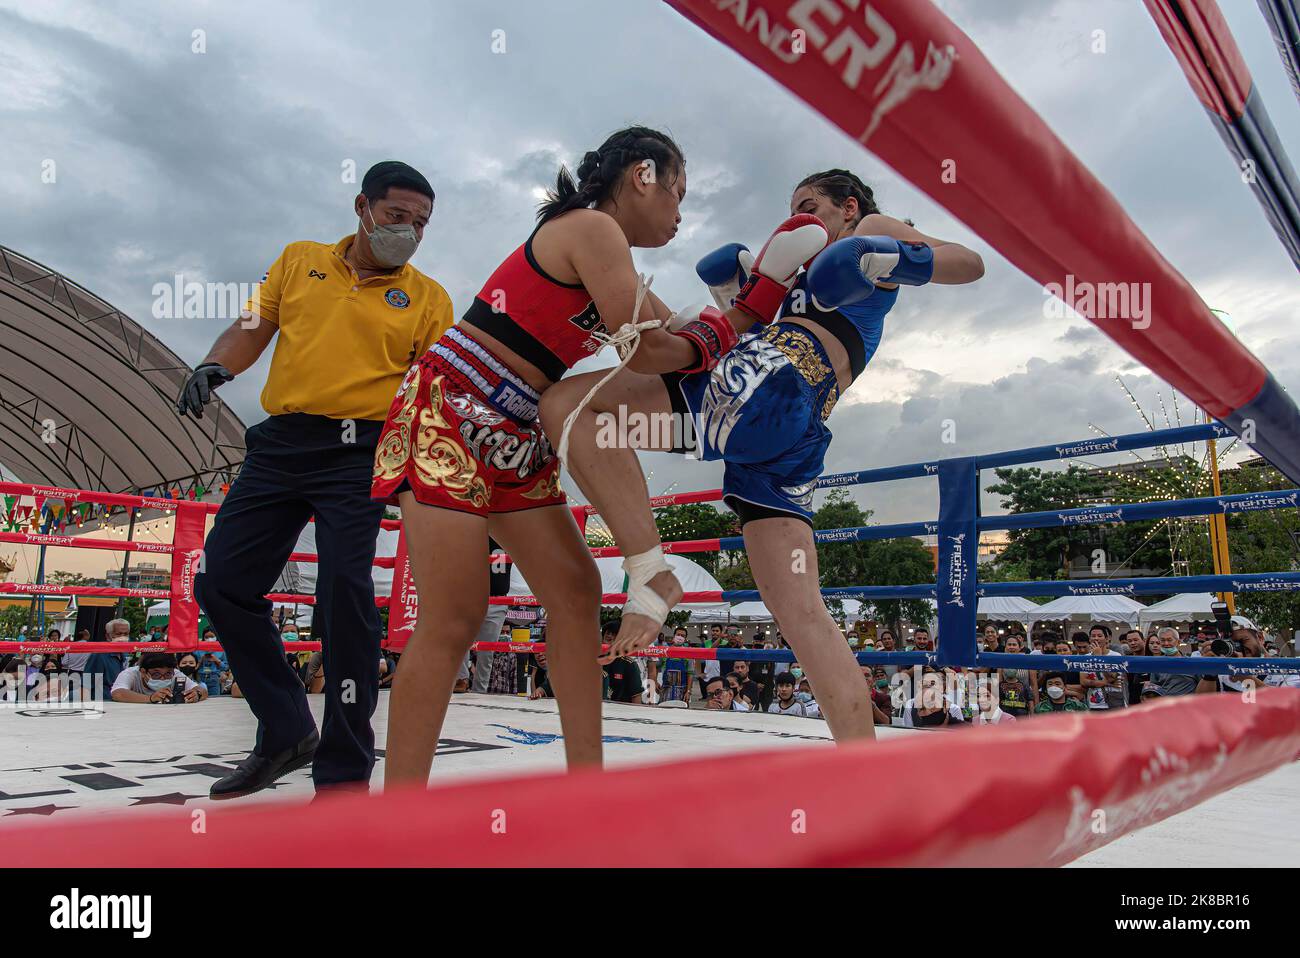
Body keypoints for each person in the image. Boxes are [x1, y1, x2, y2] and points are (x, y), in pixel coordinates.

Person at [543, 167, 982, 750]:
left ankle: (650, 572)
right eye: (790, 208)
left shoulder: (868, 230)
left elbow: (971, 262)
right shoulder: (795, 270)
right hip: (786, 433)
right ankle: (865, 770)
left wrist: (891, 257)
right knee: (799, 610)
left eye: (811, 206)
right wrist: (740, 296)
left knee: (570, 405)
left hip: (771, 384)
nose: (797, 217)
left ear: (848, 207)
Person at [371, 127, 735, 785]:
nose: (681, 215)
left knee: (575, 592)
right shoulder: (593, 229)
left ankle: (584, 788)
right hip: (449, 408)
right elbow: (647, 352)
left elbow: (680, 332)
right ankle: (398, 814)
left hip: (516, 428)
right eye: (677, 193)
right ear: (641, 177)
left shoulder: (617, 259)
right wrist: (711, 340)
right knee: (453, 617)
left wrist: (752, 314)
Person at [187, 159, 454, 800]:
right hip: (281, 443)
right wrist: (215, 364)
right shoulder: (299, 259)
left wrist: (421, 474)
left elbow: (431, 394)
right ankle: (285, 728)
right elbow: (255, 326)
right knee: (222, 583)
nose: (409, 233)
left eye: (421, 224)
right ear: (362, 208)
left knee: (343, 596)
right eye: (397, 217)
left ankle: (341, 778)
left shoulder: (428, 298)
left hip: (361, 452)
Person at [111, 652, 208, 704]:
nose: (162, 679)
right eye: (156, 674)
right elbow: (118, 693)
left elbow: (203, 690)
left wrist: (197, 694)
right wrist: (150, 698)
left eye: (167, 674)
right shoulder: (130, 673)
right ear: (143, 672)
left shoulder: (175, 673)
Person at [602, 620, 645, 704]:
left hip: (622, 711)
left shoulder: (629, 664)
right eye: (607, 633)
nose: (609, 636)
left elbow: (636, 696)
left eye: (614, 634)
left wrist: (635, 715)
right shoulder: (594, 660)